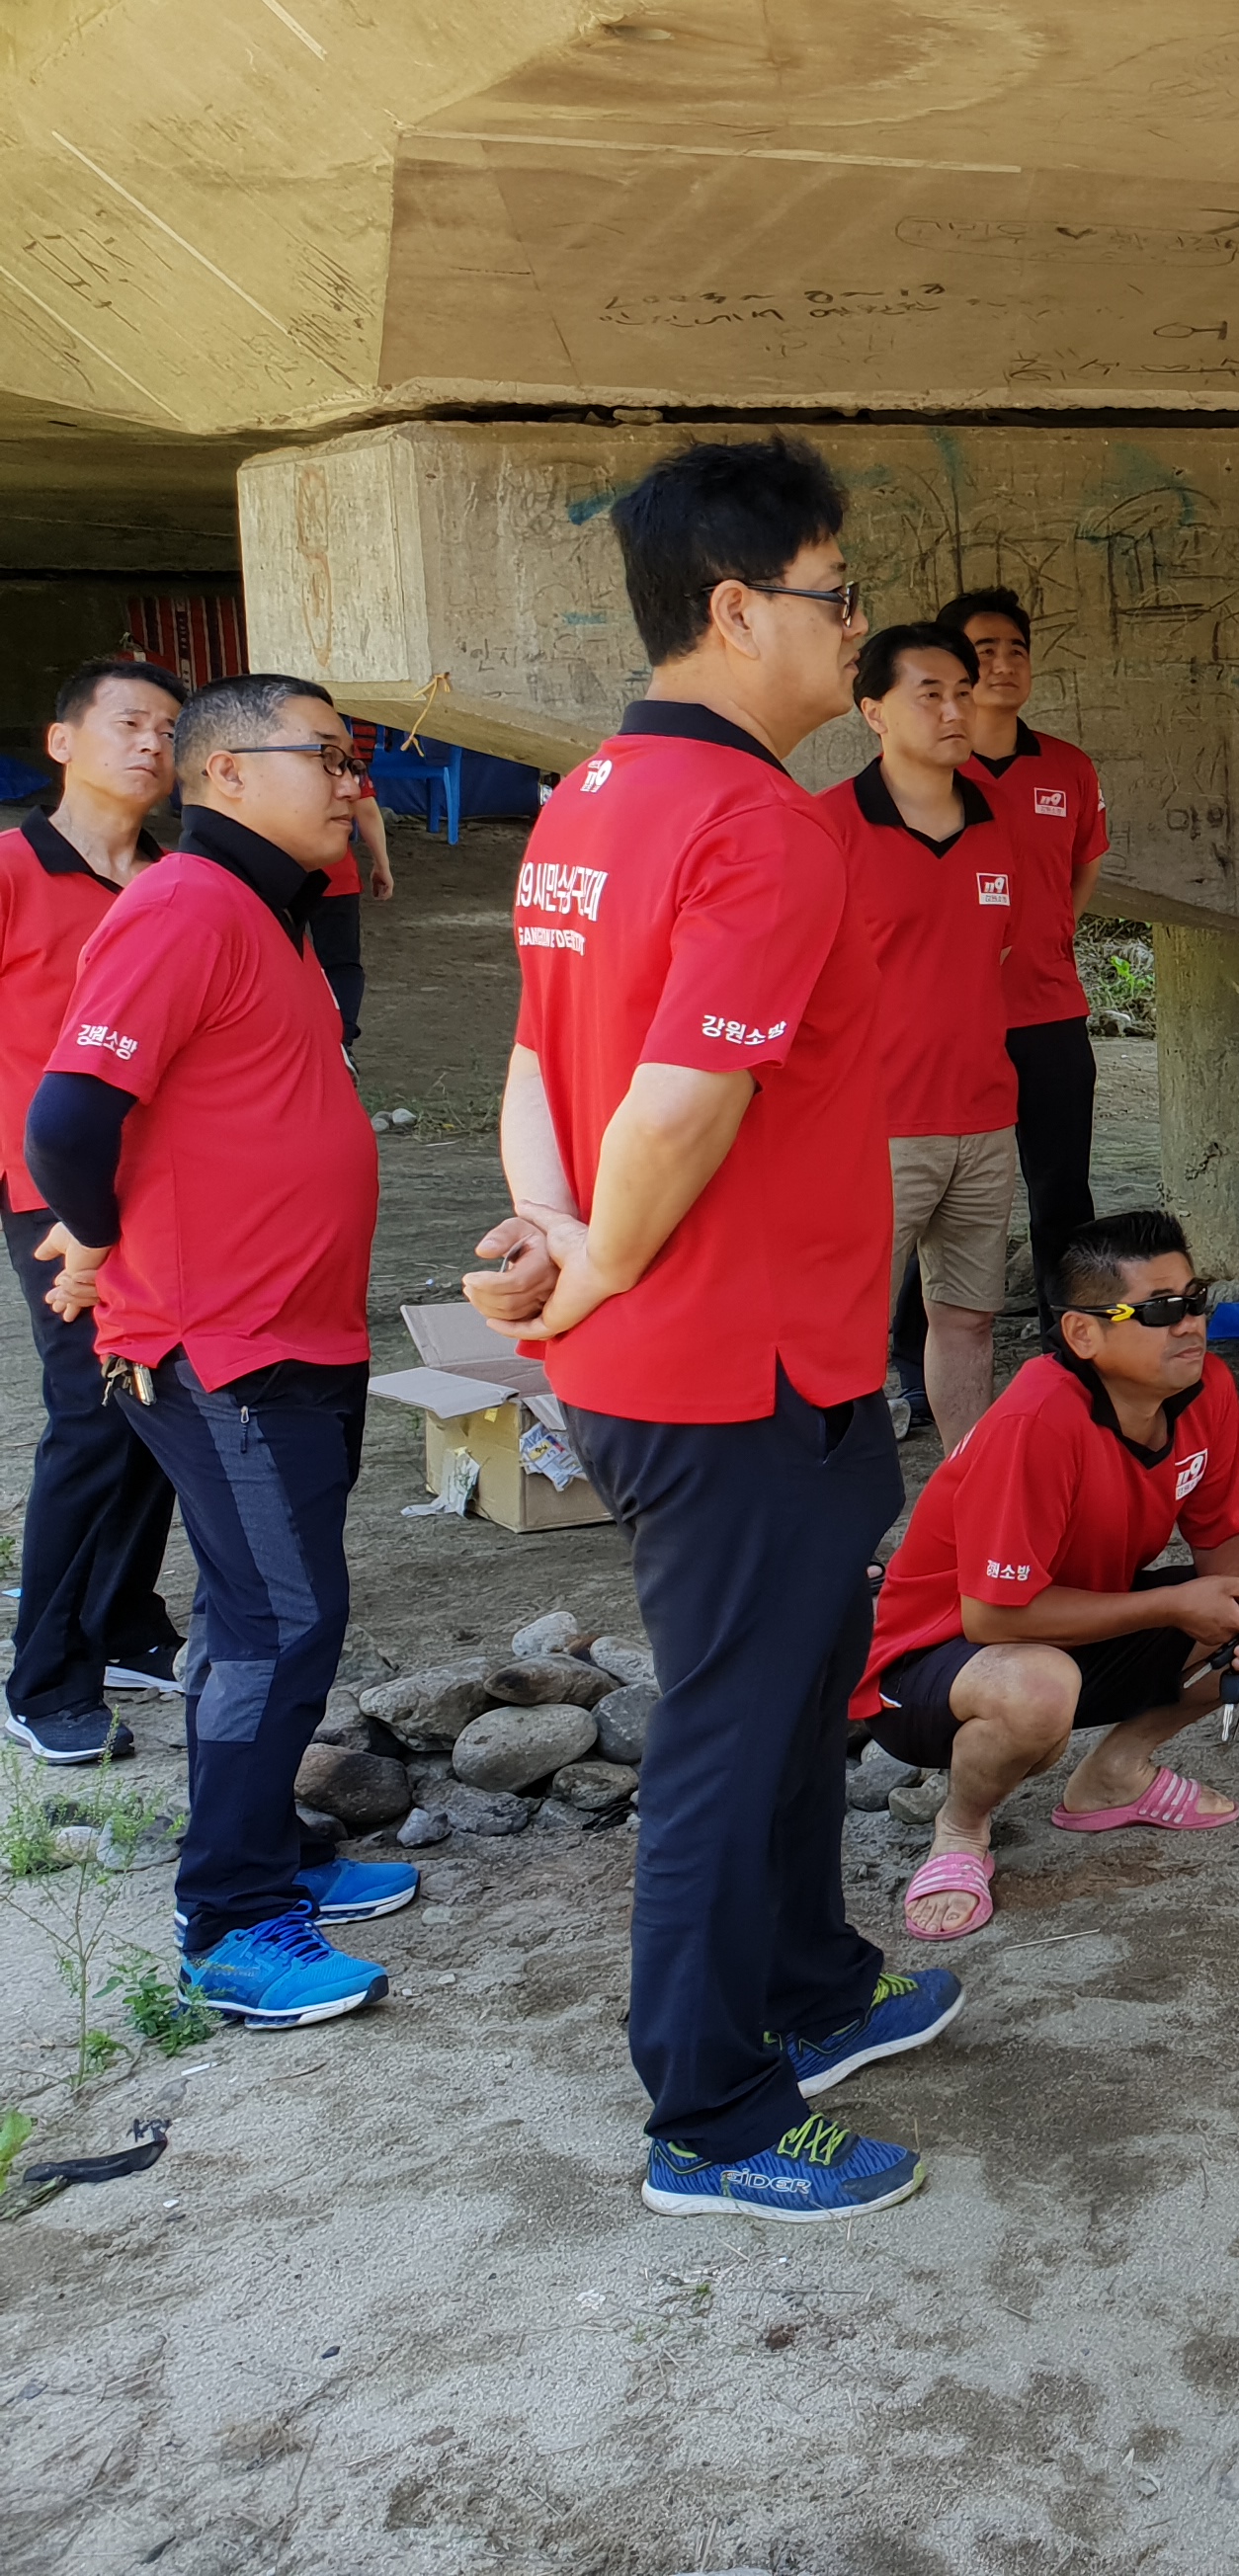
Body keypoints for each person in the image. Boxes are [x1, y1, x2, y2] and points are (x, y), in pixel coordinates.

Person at [466, 435, 954, 2227]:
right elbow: (677, 1102)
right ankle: (712, 2113)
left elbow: (534, 1063)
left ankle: (812, 1986)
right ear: (738, 609)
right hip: (725, 1367)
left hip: (738, 1356)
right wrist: (591, 1267)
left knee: (797, 1696)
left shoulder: (587, 798)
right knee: (732, 1739)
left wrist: (549, 1240)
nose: (855, 627)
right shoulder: (762, 826)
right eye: (837, 594)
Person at [28, 673, 414, 2023]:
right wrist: (103, 1241)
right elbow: (69, 1117)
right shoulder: (186, 904)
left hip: (293, 1331)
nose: (353, 781)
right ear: (229, 773)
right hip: (223, 1347)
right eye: (330, 757)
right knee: (279, 1620)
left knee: (270, 1612)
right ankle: (230, 1919)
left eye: (357, 759)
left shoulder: (267, 911)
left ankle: (271, 1852)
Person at [857, 1211, 1239, 1944]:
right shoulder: (1037, 1420)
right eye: (1159, 1310)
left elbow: (1225, 1532)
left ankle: (1115, 1775)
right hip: (932, 1663)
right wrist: (1175, 1604)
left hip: (1069, 1631)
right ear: (1082, 1334)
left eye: (1194, 1299)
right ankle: (961, 1829)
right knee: (1038, 1687)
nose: (1190, 1324)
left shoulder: (1205, 1389)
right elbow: (991, 1618)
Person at [1, 657, 186, 1763]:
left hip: (170, 1195)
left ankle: (122, 1621)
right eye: (129, 722)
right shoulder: (12, 871)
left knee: (161, 1405)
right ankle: (42, 1676)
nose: (152, 743)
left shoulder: (181, 882)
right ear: (62, 740)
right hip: (53, 1197)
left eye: (168, 727)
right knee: (91, 1417)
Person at [816, 622, 1020, 1453]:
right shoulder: (827, 826)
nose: (954, 711)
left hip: (984, 1116)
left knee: (969, 1319)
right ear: (873, 711)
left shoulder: (999, 821)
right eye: (929, 694)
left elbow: (992, 957)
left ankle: (970, 1489)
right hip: (874, 1125)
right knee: (850, 1327)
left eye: (962, 693)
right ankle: (839, 1493)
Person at [941, 589, 1110, 1324]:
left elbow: (1083, 863)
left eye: (1017, 649)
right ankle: (914, 1357)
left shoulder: (1068, 768)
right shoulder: (927, 768)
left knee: (1062, 1191)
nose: (1005, 664)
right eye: (985, 651)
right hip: (951, 1022)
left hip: (1049, 1011)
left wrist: (1050, 931)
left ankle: (1067, 1337)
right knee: (938, 1194)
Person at [304, 751, 393, 1050]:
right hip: (334, 871)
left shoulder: (263, 746)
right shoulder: (342, 754)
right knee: (341, 962)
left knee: (276, 955)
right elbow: (366, 810)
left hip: (282, 869)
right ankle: (341, 1043)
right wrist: (382, 864)